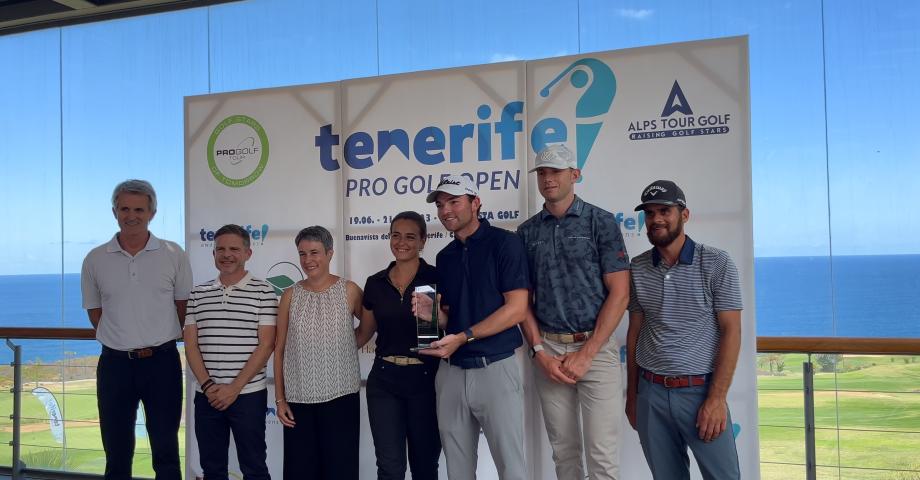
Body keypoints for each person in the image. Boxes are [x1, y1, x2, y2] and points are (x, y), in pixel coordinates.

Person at [516, 145, 630, 480]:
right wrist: (538, 352)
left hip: (596, 351)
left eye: (556, 172)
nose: (548, 179)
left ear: (574, 175)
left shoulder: (602, 222)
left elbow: (620, 293)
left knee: (602, 458)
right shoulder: (527, 232)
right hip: (548, 351)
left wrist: (588, 353)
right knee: (564, 455)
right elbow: (523, 301)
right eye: (543, 173)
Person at [625, 180, 743, 480]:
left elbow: (732, 332)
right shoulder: (637, 267)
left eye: (665, 210)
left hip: (700, 392)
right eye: (649, 214)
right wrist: (633, 396)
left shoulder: (717, 262)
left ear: (685, 214)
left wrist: (716, 399)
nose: (656, 220)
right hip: (650, 393)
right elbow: (634, 332)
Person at [416, 175, 530, 480]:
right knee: (458, 470)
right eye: (440, 204)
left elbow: (516, 309)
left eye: (454, 201)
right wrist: (432, 320)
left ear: (475, 203)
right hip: (451, 372)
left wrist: (464, 337)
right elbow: (451, 318)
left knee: (512, 468)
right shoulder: (444, 257)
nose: (445, 210)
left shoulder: (506, 243)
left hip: (494, 368)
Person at [81, 179, 191, 480]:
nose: (132, 215)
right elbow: (95, 313)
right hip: (115, 365)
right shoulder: (94, 259)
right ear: (115, 211)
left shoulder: (173, 253)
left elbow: (183, 307)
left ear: (152, 213)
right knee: (116, 452)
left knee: (166, 449)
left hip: (162, 363)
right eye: (125, 208)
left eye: (139, 209)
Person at [184, 224, 277, 480]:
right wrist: (208, 385)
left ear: (248, 253)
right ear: (213, 253)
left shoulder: (264, 291)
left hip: (247, 395)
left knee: (254, 467)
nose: (227, 254)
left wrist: (234, 388)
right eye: (220, 249)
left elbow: (266, 344)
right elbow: (191, 344)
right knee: (212, 469)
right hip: (207, 396)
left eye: (234, 249)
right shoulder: (198, 293)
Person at [273, 226, 364, 480]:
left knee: (340, 471)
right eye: (302, 254)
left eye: (314, 252)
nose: (308, 260)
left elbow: (368, 328)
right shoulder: (290, 295)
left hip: (341, 397)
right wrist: (280, 400)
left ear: (330, 253)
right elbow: (279, 349)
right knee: (300, 471)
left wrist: (346, 344)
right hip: (298, 401)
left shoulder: (350, 290)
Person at [356, 211, 441, 480]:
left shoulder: (436, 277)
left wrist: (438, 316)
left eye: (410, 236)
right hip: (384, 380)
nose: (401, 242)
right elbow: (364, 334)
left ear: (423, 241)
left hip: (426, 378)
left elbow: (451, 328)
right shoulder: (375, 283)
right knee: (390, 468)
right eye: (395, 235)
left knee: (425, 466)